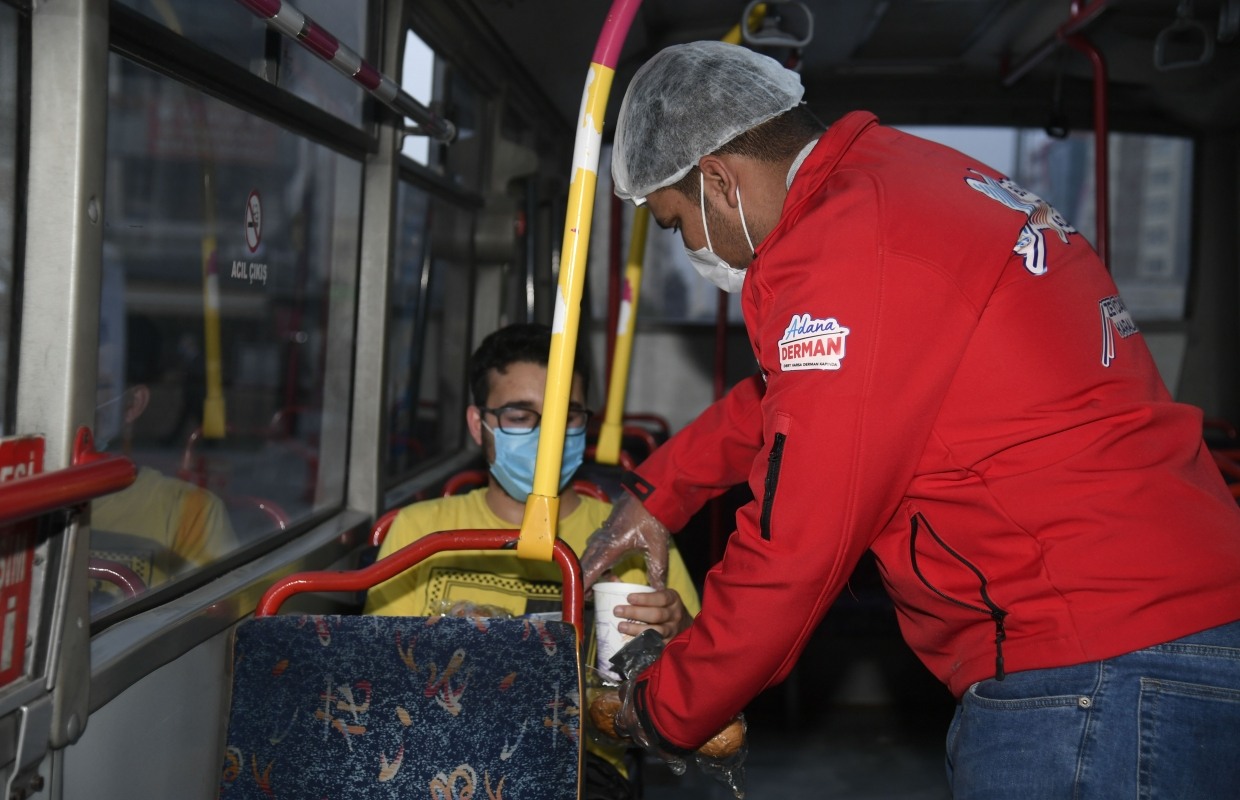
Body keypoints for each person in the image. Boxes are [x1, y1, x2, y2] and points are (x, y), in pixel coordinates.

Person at [580, 40, 1240, 798]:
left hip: (1092, 666)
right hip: (1169, 635)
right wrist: (661, 492)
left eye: (675, 224)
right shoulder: (908, 184)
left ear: (719, 182)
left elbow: (797, 543)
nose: (692, 247)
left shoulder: (845, 244)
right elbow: (800, 392)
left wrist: (662, 707)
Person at [365, 322, 701, 800]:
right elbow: (377, 677)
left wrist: (677, 633)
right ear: (477, 423)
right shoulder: (420, 532)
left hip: (584, 769)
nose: (546, 437)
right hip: (436, 760)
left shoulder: (633, 536)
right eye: (520, 416)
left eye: (566, 415)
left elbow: (709, 683)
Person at [91, 314, 238, 610]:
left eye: (95, 386)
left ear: (133, 403)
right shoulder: (19, 497)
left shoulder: (189, 514)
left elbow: (215, 628)